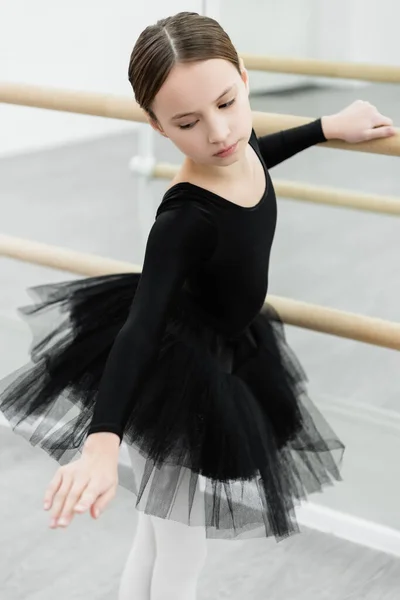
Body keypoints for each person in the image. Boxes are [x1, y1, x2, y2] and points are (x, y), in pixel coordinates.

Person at [0, 10, 396, 600]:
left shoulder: (237, 147)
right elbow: (139, 328)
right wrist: (102, 442)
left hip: (221, 349)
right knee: (182, 549)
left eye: (228, 102)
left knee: (158, 537)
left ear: (243, 75)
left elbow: (258, 151)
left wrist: (325, 126)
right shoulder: (185, 218)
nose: (219, 132)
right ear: (158, 128)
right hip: (172, 372)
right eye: (188, 122)